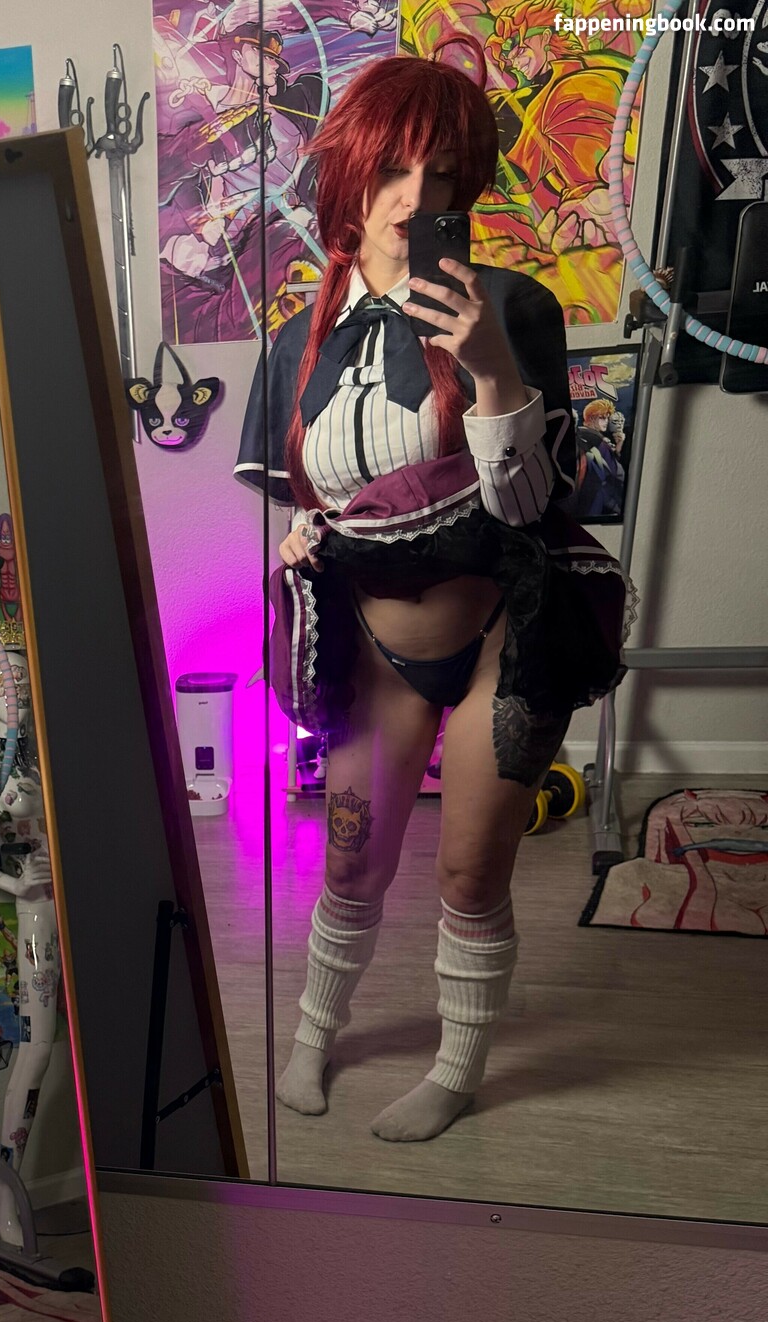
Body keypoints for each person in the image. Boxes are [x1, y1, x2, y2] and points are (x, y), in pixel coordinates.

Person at [236, 56, 629, 1141]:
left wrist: (493, 371)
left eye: (442, 174)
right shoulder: (294, 345)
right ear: (350, 174)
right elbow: (311, 497)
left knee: (470, 869)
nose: (415, 197)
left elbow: (525, 503)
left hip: (505, 632)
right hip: (376, 648)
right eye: (392, 169)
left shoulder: (512, 306)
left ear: (466, 189)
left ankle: (456, 1069)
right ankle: (314, 1034)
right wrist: (302, 539)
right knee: (352, 857)